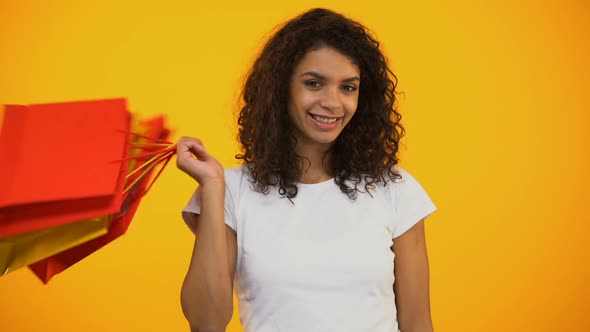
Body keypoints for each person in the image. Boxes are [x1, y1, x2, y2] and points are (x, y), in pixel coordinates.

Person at [176, 8, 437, 332]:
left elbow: (418, 322)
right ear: (280, 88)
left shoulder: (396, 190)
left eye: (348, 87)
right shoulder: (231, 189)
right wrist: (213, 188)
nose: (333, 102)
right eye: (314, 83)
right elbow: (206, 323)